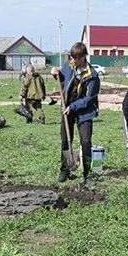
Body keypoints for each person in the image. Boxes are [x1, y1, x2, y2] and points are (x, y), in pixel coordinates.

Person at [51, 42, 100, 185]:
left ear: (84, 56)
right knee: (66, 140)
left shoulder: (93, 76)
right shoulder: (69, 65)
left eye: (77, 58)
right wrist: (56, 74)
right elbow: (63, 80)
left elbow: (89, 99)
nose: (74, 60)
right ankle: (65, 170)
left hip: (84, 111)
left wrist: (73, 106)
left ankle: (87, 173)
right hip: (67, 109)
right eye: (73, 57)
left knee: (85, 142)